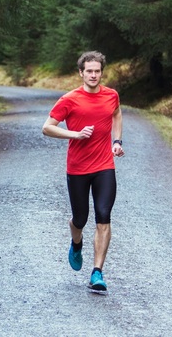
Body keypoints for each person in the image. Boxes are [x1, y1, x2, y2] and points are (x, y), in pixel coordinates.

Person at [42, 50, 123, 293]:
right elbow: (47, 128)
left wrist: (117, 141)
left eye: (97, 71)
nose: (93, 75)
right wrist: (74, 134)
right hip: (77, 168)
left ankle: (97, 272)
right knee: (80, 219)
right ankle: (76, 243)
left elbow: (117, 114)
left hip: (104, 166)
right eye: (89, 71)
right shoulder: (69, 99)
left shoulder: (111, 96)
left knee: (103, 214)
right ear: (81, 73)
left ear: (101, 72)